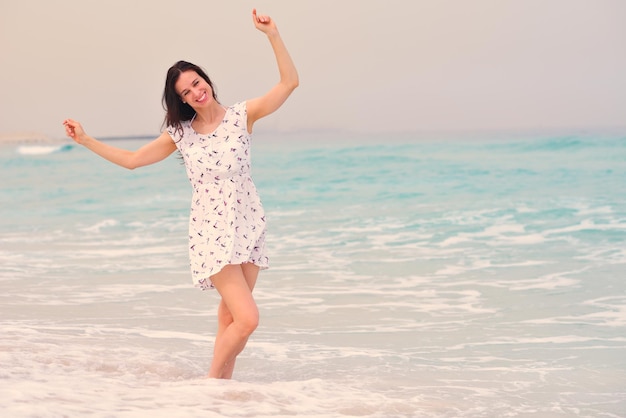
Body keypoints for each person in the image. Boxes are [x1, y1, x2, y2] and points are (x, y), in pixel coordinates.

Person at [63, 9, 298, 379]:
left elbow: (289, 83)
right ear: (182, 100)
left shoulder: (242, 116)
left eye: (196, 82)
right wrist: (86, 139)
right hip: (211, 233)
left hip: (249, 225)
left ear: (206, 79)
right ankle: (210, 384)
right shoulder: (181, 134)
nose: (195, 92)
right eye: (185, 92)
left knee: (229, 318)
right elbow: (132, 160)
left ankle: (218, 396)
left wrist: (272, 35)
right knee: (248, 319)